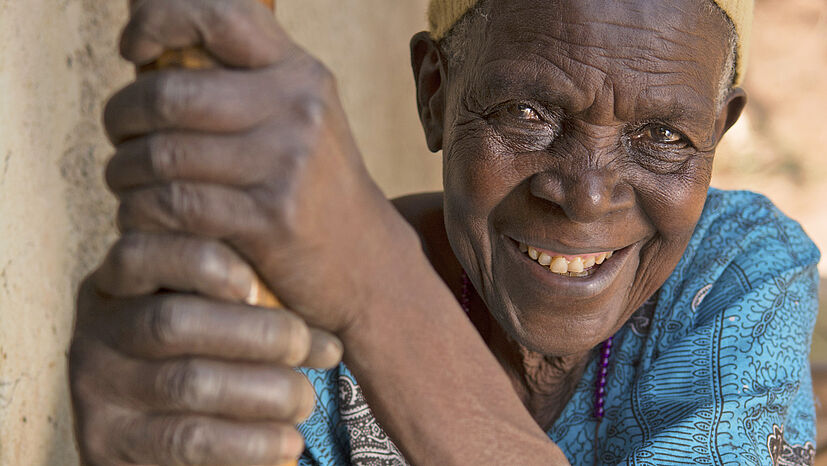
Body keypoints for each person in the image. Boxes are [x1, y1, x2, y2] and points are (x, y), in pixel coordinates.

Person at [68, 0, 821, 464]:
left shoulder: (733, 277)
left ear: (718, 132)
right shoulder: (277, 321)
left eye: (663, 135)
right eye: (526, 114)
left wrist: (375, 288)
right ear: (435, 94)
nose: (587, 197)